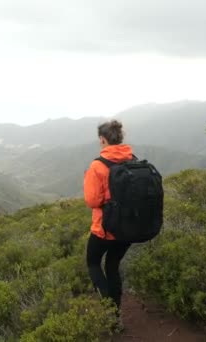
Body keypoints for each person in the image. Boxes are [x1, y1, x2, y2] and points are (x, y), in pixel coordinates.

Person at [83, 120, 133, 316]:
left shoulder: (98, 166)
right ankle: (117, 312)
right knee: (113, 267)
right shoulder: (132, 160)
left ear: (102, 139)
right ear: (120, 138)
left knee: (93, 263)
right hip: (127, 228)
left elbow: (92, 201)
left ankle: (109, 311)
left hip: (104, 228)